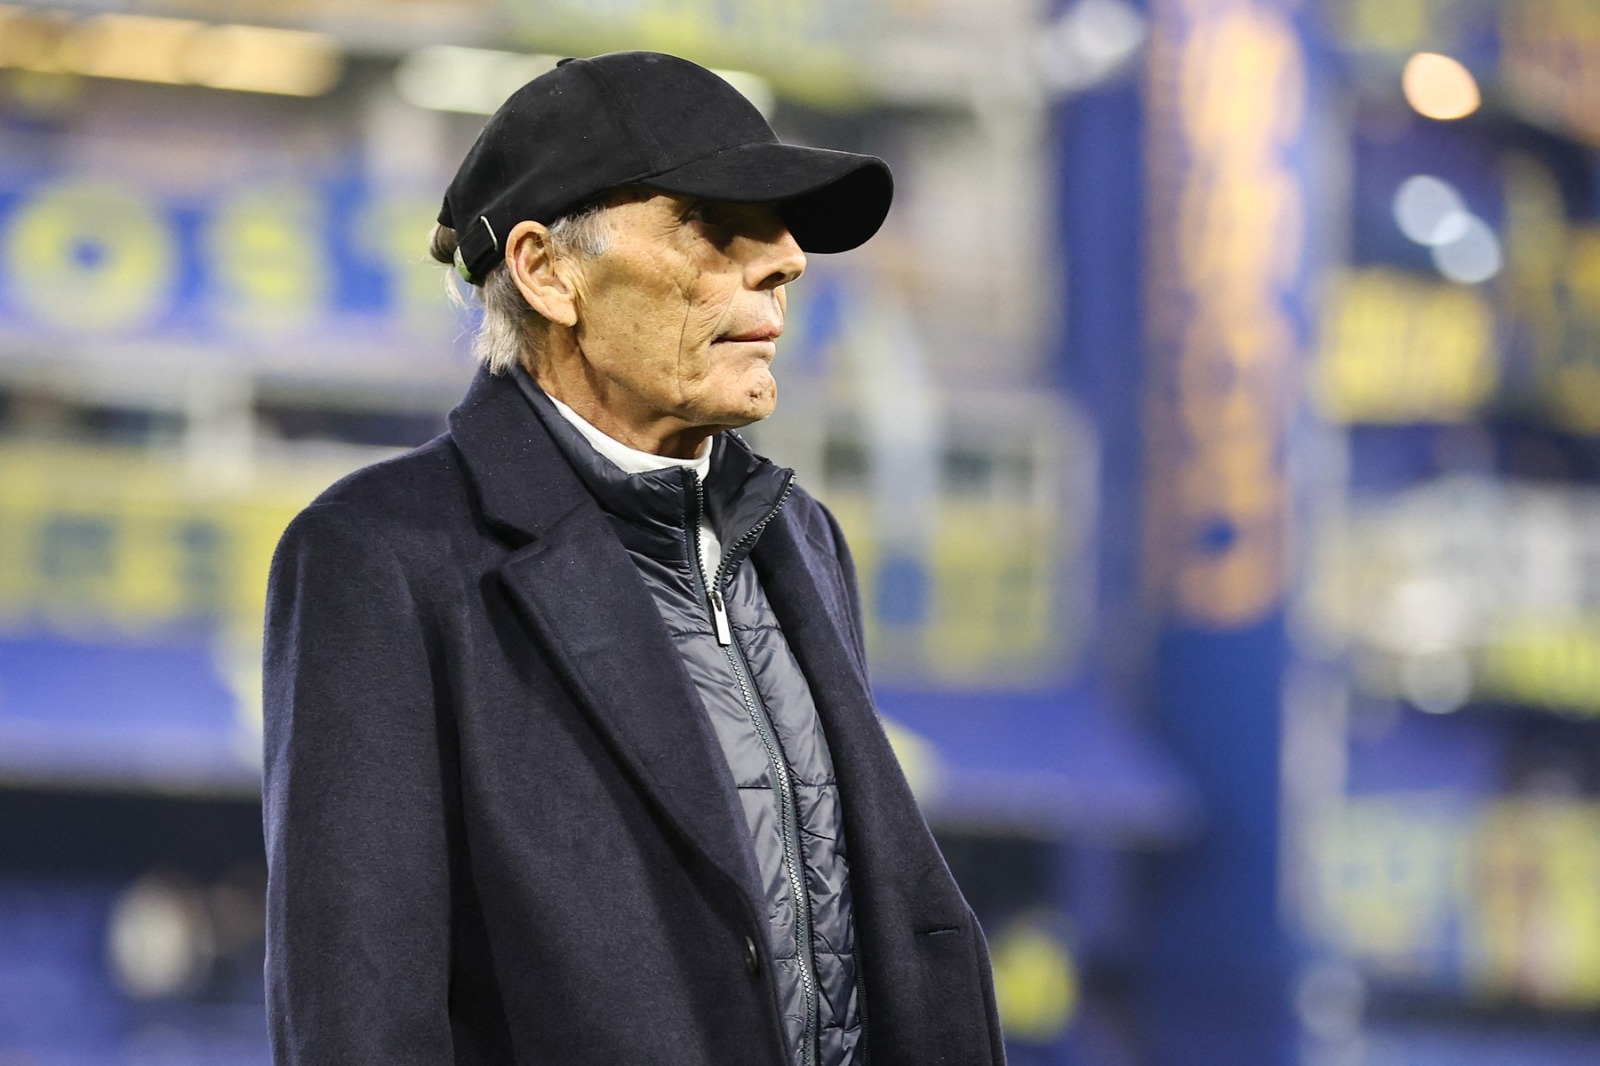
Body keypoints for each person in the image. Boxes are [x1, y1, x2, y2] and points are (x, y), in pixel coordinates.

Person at [261, 50, 1004, 1066]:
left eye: (781, 226)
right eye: (713, 224)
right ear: (546, 271)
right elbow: (360, 1016)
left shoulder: (801, 535)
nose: (787, 259)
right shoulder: (383, 555)